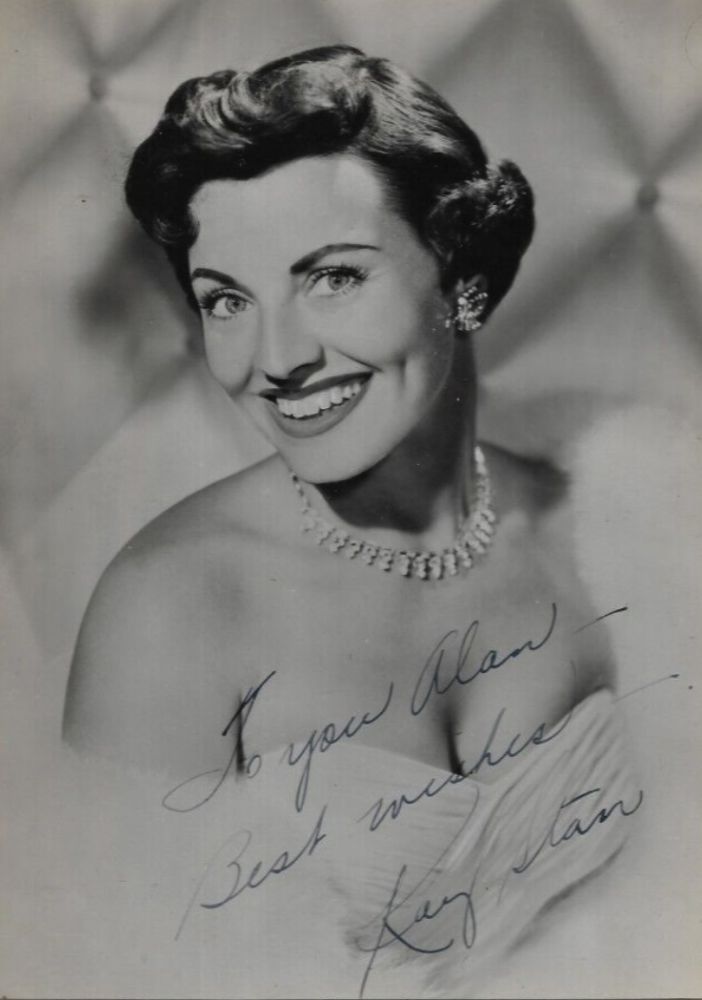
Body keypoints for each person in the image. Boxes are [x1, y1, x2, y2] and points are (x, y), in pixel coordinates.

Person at [62, 46, 642, 997]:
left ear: (462, 275)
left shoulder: (622, 531)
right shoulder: (169, 606)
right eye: (227, 300)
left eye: (331, 277)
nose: (277, 357)